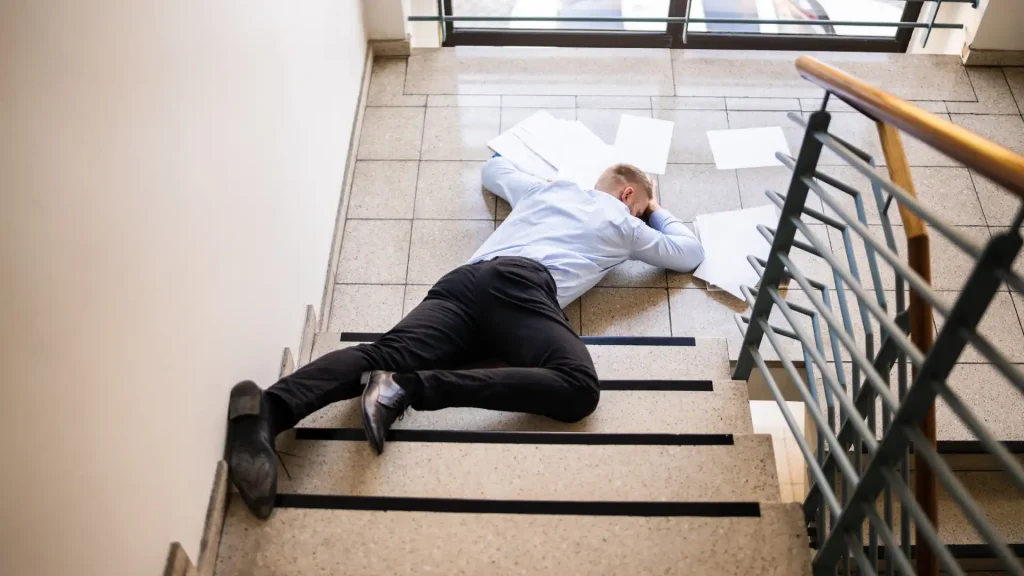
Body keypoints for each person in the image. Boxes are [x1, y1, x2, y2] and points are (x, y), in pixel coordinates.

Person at [225, 157, 706, 518]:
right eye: (641, 209)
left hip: (462, 284)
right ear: (627, 197)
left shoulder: (546, 190)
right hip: (520, 289)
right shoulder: (623, 221)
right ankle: (407, 387)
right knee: (577, 386)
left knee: (383, 351)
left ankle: (266, 410)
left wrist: (551, 182)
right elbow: (688, 253)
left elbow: (493, 169)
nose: (642, 219)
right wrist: (656, 209)